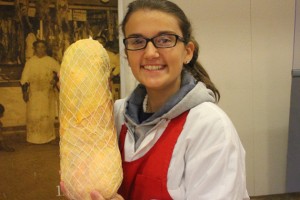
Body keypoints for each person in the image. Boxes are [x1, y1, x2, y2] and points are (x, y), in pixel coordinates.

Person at [62, 0, 249, 199]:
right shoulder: (115, 115)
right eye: (137, 41)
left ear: (187, 52)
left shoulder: (209, 127)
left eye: (165, 39)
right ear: (127, 54)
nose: (150, 53)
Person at [20, 40, 60, 144]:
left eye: (43, 47)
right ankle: (33, 138)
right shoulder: (30, 62)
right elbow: (24, 79)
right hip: (34, 93)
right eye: (38, 47)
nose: (41, 49)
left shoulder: (51, 61)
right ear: (34, 49)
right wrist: (24, 92)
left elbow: (61, 72)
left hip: (47, 93)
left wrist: (55, 79)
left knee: (47, 115)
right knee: (33, 114)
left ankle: (48, 138)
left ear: (45, 48)